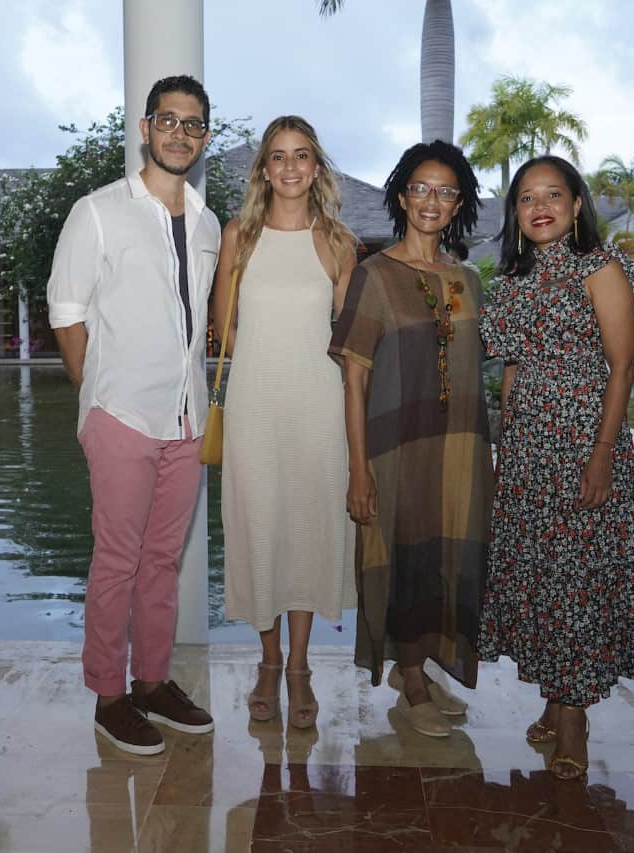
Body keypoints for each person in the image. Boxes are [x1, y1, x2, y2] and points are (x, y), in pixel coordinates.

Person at [478, 155, 634, 780]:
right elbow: (508, 368)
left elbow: (623, 366)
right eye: (528, 197)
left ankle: (574, 720)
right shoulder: (512, 278)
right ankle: (553, 697)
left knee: (578, 582)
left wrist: (601, 457)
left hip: (585, 446)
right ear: (516, 212)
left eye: (553, 194)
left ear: (576, 204)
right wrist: (506, 450)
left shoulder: (602, 267)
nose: (540, 206)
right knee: (543, 578)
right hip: (529, 453)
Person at [47, 75, 219, 756]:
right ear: (145, 128)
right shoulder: (97, 212)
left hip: (187, 420)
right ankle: (108, 695)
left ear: (205, 138)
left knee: (163, 561)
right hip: (121, 415)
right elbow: (67, 313)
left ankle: (152, 681)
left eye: (194, 123)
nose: (180, 132)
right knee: (117, 559)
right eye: (168, 120)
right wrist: (98, 399)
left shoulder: (207, 222)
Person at [329, 141, 495, 738]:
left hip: (458, 451)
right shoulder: (374, 277)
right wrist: (358, 469)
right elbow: (354, 378)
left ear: (458, 206)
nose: (432, 200)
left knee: (448, 555)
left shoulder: (469, 282)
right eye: (421, 188)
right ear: (402, 197)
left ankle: (420, 667)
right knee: (401, 554)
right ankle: (412, 679)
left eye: (446, 191)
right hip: (395, 447)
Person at [214, 116, 358, 729]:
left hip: (319, 406)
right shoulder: (237, 238)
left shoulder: (340, 243)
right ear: (264, 170)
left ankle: (299, 665)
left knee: (308, 530)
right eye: (279, 157)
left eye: (302, 156)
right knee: (260, 527)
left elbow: (350, 342)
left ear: (317, 167)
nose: (291, 167)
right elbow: (225, 330)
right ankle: (267, 660)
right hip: (253, 403)